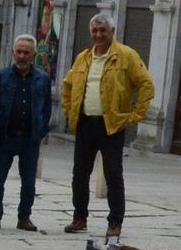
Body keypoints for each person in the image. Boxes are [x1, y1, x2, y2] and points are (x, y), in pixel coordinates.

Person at [60, 13, 154, 237]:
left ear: (112, 32)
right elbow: (67, 86)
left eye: (103, 30)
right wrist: (69, 111)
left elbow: (146, 84)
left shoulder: (126, 56)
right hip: (85, 123)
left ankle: (115, 222)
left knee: (113, 174)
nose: (98, 34)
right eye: (95, 30)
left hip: (112, 125)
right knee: (80, 174)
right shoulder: (83, 57)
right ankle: (79, 217)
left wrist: (134, 116)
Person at [0, 34, 53, 232]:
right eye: (19, 52)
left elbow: (46, 108)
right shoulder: (1, 76)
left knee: (29, 182)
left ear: (33, 55)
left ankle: (24, 217)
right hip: (6, 136)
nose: (22, 56)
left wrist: (41, 130)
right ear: (13, 52)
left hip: (29, 139)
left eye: (26, 53)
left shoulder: (42, 79)